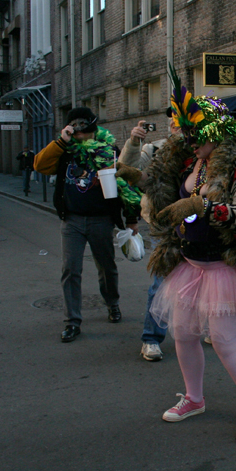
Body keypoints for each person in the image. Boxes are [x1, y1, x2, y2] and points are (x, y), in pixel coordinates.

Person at [146, 74, 236, 443]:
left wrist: (200, 204)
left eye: (196, 135)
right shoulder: (193, 161)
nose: (189, 142)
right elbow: (166, 195)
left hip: (223, 268)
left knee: (224, 341)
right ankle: (194, 398)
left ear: (215, 133)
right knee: (182, 334)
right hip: (189, 264)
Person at [34, 107, 139, 342]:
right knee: (70, 269)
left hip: (101, 219)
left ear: (92, 130)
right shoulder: (65, 151)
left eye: (83, 131)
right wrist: (62, 141)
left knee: (106, 266)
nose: (79, 136)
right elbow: (39, 166)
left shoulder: (108, 151)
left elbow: (126, 184)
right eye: (75, 131)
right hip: (71, 220)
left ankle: (112, 303)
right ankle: (72, 321)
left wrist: (131, 218)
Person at [117, 116, 181, 362]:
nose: (177, 128)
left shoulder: (199, 149)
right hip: (163, 225)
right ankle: (151, 339)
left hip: (196, 223)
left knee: (202, 279)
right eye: (174, 123)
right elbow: (126, 168)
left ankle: (206, 327)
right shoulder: (154, 148)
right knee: (161, 283)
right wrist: (134, 142)